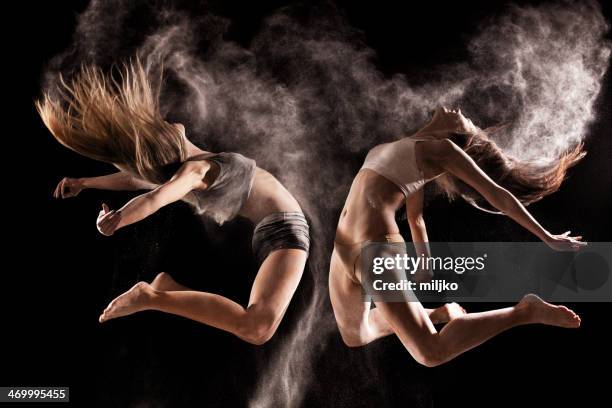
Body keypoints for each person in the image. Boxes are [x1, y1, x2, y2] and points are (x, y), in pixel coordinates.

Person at [36, 60, 310, 345]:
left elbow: (139, 182)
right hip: (285, 228)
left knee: (257, 327)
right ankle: (152, 296)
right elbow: (153, 195)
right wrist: (114, 218)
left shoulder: (191, 170)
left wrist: (87, 185)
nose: (168, 123)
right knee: (256, 328)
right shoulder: (193, 167)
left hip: (278, 231)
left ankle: (163, 291)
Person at [329, 106, 585, 366]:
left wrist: (547, 237)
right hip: (342, 247)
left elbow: (498, 196)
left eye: (470, 120)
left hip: (374, 249)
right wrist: (424, 264)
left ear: (462, 134)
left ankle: (524, 312)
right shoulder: (406, 148)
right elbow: (415, 218)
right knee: (355, 334)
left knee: (430, 352)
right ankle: (436, 313)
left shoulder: (443, 151)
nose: (464, 112)